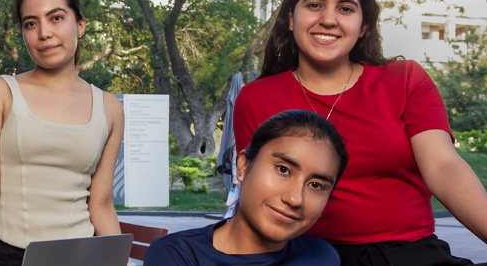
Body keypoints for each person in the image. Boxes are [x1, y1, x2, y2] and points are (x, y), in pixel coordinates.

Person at [234, 0, 487, 265]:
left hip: (409, 256)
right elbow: (255, 195)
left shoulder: (405, 80)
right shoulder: (256, 97)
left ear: (364, 26)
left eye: (345, 9)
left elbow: (443, 166)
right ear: (292, 18)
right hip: (303, 256)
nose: (328, 19)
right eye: (315, 5)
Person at [0, 0, 126, 266]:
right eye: (31, 23)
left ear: (80, 25)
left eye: (56, 18)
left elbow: (101, 203)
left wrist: (120, 262)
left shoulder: (110, 108)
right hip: (4, 255)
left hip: (81, 258)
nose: (44, 33)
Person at [145, 109, 347, 265]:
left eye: (316, 185)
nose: (295, 199)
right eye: (283, 170)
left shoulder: (322, 257)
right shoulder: (177, 255)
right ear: (243, 165)